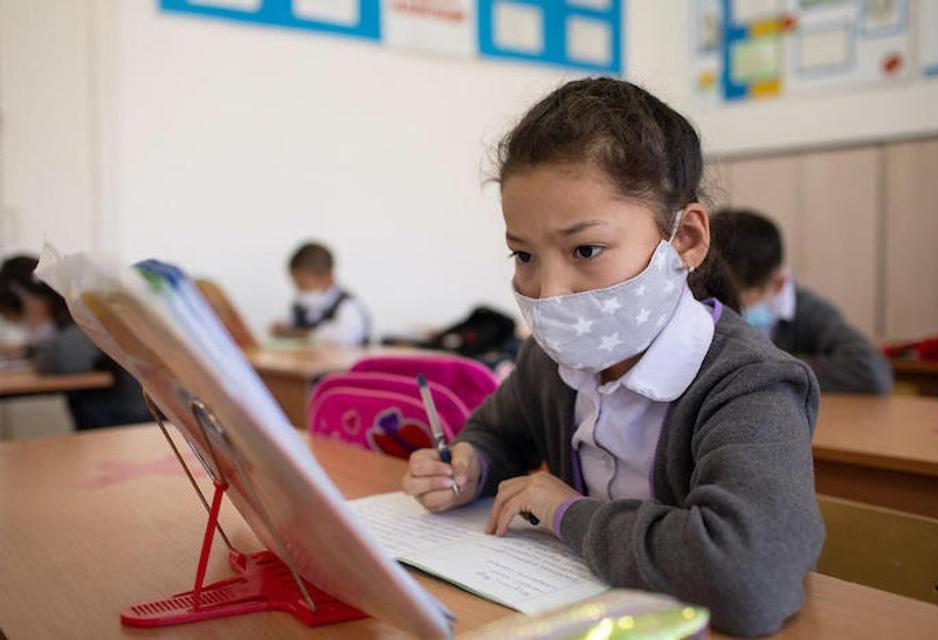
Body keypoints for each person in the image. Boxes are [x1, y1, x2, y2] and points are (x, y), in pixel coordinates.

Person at [402, 78, 824, 636]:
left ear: (685, 239)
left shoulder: (751, 385)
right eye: (523, 255)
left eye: (586, 249)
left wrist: (566, 513)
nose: (549, 292)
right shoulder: (552, 361)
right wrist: (468, 464)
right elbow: (498, 433)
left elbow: (748, 577)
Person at [710, 208, 893, 395]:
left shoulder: (808, 311)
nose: (719, 305)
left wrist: (763, 365)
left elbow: (871, 371)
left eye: (733, 298)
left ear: (777, 284)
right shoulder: (701, 300)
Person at [0, 254, 151, 429]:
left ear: (29, 301)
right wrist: (29, 350)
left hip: (127, 424)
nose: (20, 324)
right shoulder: (77, 314)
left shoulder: (82, 318)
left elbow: (59, 359)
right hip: (125, 420)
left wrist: (33, 349)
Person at [270, 242, 371, 346]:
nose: (299, 290)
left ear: (328, 276)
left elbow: (344, 337)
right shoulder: (299, 305)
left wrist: (299, 334)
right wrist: (284, 329)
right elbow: (291, 326)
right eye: (296, 284)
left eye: (303, 285)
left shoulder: (347, 305)